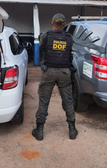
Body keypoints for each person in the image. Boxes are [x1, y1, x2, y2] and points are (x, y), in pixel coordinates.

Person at [32, 13, 78, 141]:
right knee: (68, 101)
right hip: (65, 73)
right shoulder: (69, 37)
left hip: (49, 73)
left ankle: (39, 131)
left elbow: (41, 45)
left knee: (44, 101)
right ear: (64, 25)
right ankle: (72, 130)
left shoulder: (46, 36)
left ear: (52, 23)